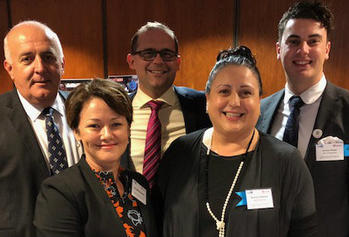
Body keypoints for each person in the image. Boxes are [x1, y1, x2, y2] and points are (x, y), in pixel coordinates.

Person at [156, 46, 318, 237]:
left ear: (259, 101)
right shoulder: (179, 154)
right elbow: (158, 223)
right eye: (224, 91)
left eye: (245, 93)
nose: (234, 102)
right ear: (208, 100)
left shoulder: (287, 162)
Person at [256, 1, 349, 236]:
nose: (303, 50)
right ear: (279, 49)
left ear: (327, 49)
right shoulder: (258, 112)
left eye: (313, 41)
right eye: (294, 41)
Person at [34, 79, 158, 237]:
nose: (107, 135)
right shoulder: (59, 192)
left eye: (116, 124)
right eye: (94, 126)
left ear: (128, 128)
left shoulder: (137, 182)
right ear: (77, 131)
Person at [0, 20, 80, 237]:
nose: (40, 68)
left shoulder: (86, 110)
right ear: (10, 68)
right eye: (27, 59)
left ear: (62, 64)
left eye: (48, 57)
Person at [124, 21, 211, 186]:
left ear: (178, 62)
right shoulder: (115, 109)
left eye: (167, 54)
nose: (158, 61)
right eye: (148, 53)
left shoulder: (203, 106)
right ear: (131, 61)